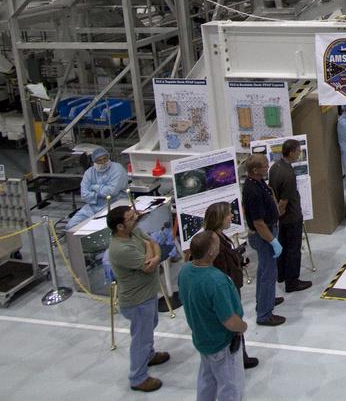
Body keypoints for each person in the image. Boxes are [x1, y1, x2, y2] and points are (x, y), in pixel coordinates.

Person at [106, 205, 168, 393]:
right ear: (120, 227)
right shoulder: (120, 249)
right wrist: (152, 251)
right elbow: (147, 265)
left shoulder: (134, 232)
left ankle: (148, 356)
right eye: (131, 218)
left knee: (150, 327)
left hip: (148, 294)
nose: (136, 219)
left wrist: (152, 251)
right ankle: (138, 378)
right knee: (141, 337)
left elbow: (153, 244)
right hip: (137, 300)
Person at [179, 230, 248, 401]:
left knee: (207, 381)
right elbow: (230, 321)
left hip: (202, 338)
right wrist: (243, 326)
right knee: (230, 387)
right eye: (217, 243)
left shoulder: (185, 271)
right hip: (222, 343)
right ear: (210, 251)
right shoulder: (216, 281)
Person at [200, 202, 258, 370]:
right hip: (227, 289)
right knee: (232, 321)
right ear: (219, 219)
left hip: (233, 285)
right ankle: (238, 358)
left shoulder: (221, 237)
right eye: (228, 215)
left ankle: (242, 355)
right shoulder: (213, 243)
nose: (231, 217)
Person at [240, 153, 285, 327]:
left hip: (267, 231)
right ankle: (265, 314)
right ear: (255, 170)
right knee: (268, 274)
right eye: (265, 166)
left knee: (263, 271)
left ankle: (265, 300)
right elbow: (258, 223)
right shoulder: (253, 192)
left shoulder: (257, 183)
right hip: (263, 236)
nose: (268, 167)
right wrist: (273, 241)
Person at [268, 139, 312, 293]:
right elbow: (284, 201)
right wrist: (280, 212)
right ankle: (292, 282)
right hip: (291, 217)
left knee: (283, 246)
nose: (300, 153)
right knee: (293, 249)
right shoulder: (288, 175)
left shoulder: (274, 167)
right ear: (292, 152)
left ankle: (281, 275)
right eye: (298, 151)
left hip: (281, 219)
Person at [68, 148, 129, 227]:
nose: (103, 162)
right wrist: (100, 193)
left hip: (115, 204)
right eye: (99, 160)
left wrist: (94, 187)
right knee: (71, 225)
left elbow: (111, 191)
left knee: (106, 226)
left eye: (105, 159)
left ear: (108, 157)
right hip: (93, 206)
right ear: (94, 161)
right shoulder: (89, 173)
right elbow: (84, 195)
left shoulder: (117, 169)